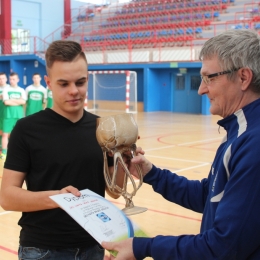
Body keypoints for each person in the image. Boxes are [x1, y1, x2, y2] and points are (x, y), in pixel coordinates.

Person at [102, 29, 260, 259]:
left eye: (209, 78)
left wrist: (143, 247)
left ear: (244, 77)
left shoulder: (254, 142)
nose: (201, 89)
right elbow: (209, 196)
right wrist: (151, 173)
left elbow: (224, 247)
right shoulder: (237, 131)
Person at [0, 40, 121, 260]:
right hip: (42, 249)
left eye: (80, 82)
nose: (74, 91)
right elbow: (7, 197)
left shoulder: (102, 127)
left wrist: (124, 157)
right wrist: (58, 198)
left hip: (94, 246)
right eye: (64, 84)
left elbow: (116, 190)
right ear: (48, 82)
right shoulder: (27, 129)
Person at [0, 72, 26, 160]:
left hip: (19, 115)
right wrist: (18, 101)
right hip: (8, 115)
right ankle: (4, 153)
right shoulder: (6, 90)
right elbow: (6, 102)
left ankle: (18, 152)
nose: (12, 81)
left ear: (18, 80)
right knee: (5, 134)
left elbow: (24, 102)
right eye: (10, 79)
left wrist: (12, 100)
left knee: (18, 135)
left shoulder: (22, 90)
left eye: (14, 79)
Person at [0, 72, 10, 148]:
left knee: (6, 132)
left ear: (6, 79)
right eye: (0, 79)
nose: (1, 80)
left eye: (3, 78)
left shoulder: (10, 88)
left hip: (7, 113)